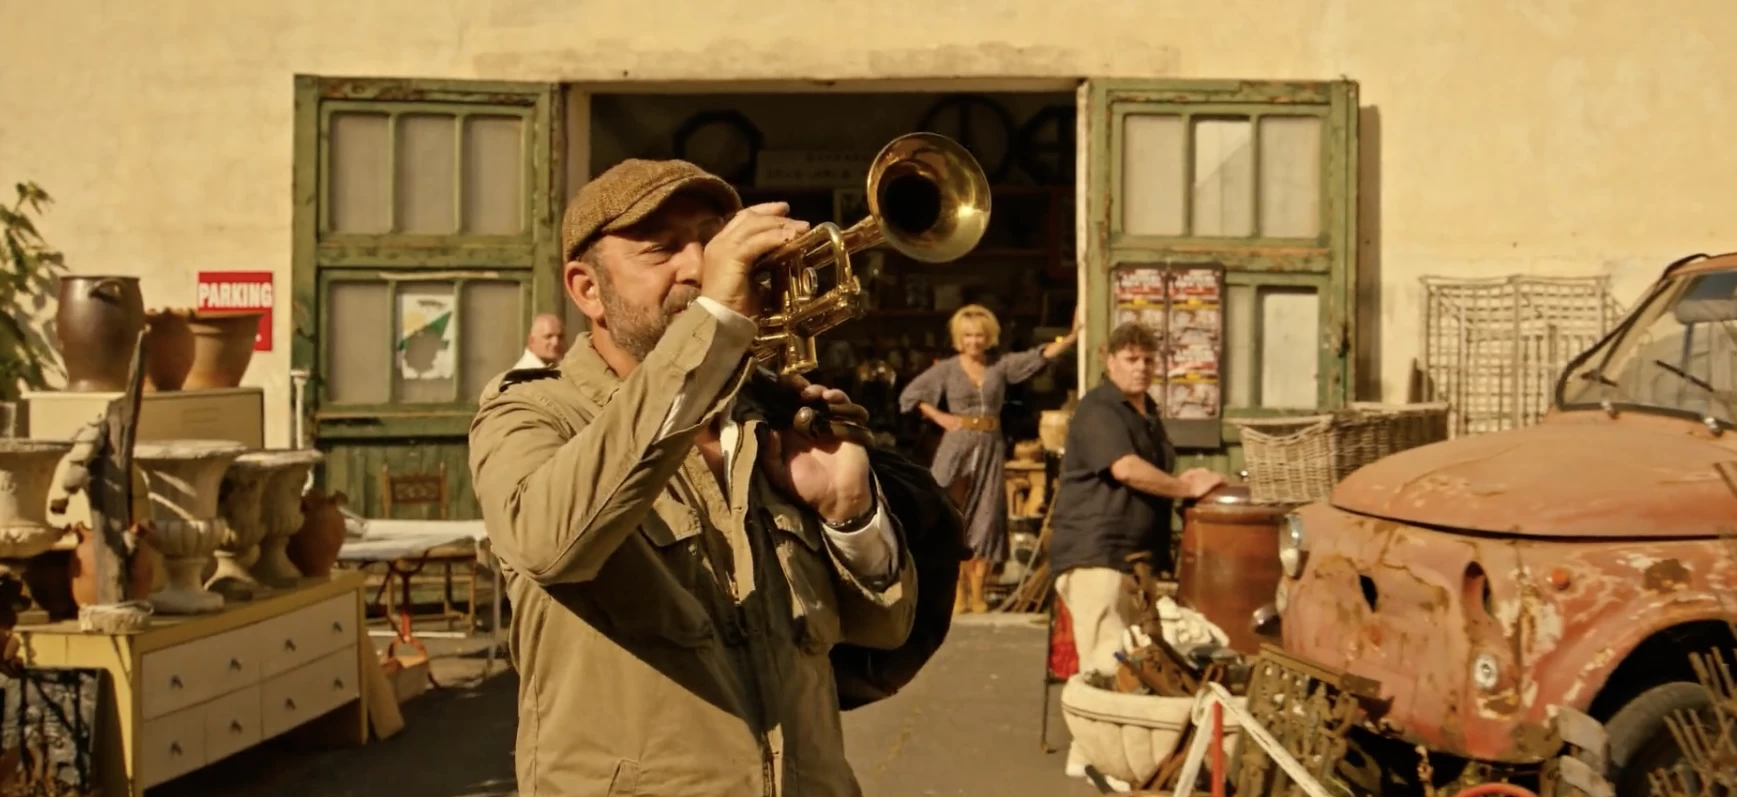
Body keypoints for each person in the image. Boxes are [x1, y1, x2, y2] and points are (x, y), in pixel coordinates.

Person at [468, 157, 959, 797]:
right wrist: (715, 322)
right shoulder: (532, 412)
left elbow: (885, 632)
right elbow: (549, 543)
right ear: (587, 290)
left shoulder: (774, 417)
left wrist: (850, 514)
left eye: (710, 239)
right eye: (662, 250)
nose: (699, 267)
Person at [1044, 321, 1225, 781]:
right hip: (1096, 552)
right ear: (1110, 361)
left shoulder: (1144, 412)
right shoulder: (1099, 408)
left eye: (1147, 359)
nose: (1141, 367)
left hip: (1133, 557)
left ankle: (1097, 756)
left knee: (1127, 661)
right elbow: (1125, 468)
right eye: (1130, 358)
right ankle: (1095, 760)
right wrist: (1184, 485)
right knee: (1107, 662)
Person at [899, 304, 1079, 613]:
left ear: (989, 336)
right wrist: (941, 417)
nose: (974, 341)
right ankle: (955, 592)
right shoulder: (947, 368)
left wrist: (1074, 336)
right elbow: (911, 395)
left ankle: (978, 592)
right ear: (959, 337)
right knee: (948, 513)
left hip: (990, 445)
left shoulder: (1000, 366)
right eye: (968, 335)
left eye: (979, 335)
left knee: (985, 517)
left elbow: (1040, 356)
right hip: (957, 444)